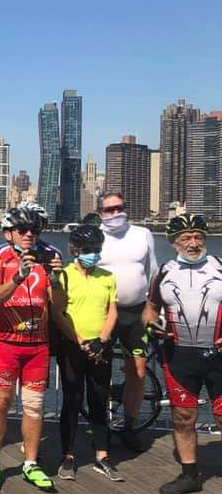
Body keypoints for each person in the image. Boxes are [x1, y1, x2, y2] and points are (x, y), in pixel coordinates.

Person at [0, 206, 62, 493]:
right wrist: (17, 278)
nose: (29, 234)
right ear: (9, 233)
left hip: (37, 345)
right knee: (1, 403)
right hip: (6, 342)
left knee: (34, 406)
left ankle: (30, 463)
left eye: (34, 230)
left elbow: (58, 306)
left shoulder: (48, 258)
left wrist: (56, 281)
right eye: (22, 230)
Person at [143, 214, 222, 494]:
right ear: (173, 242)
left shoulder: (219, 267)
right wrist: (152, 325)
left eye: (198, 237)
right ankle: (189, 475)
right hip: (179, 356)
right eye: (186, 238)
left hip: (218, 355)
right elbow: (151, 308)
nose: (193, 243)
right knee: (183, 417)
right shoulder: (165, 272)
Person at [51, 224, 123, 482]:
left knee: (99, 400)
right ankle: (68, 455)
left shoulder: (108, 276)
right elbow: (58, 313)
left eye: (96, 248)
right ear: (75, 250)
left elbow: (112, 311)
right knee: (72, 399)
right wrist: (80, 341)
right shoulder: (63, 275)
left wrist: (102, 340)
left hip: (100, 346)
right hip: (73, 345)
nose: (93, 253)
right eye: (87, 249)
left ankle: (102, 455)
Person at [97, 191, 158, 452]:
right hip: (103, 313)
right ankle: (100, 428)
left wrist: (153, 307)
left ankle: (129, 427)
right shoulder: (95, 236)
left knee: (139, 372)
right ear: (100, 213)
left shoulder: (142, 234)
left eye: (119, 208)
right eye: (109, 210)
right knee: (99, 374)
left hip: (136, 312)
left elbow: (154, 272)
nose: (115, 213)